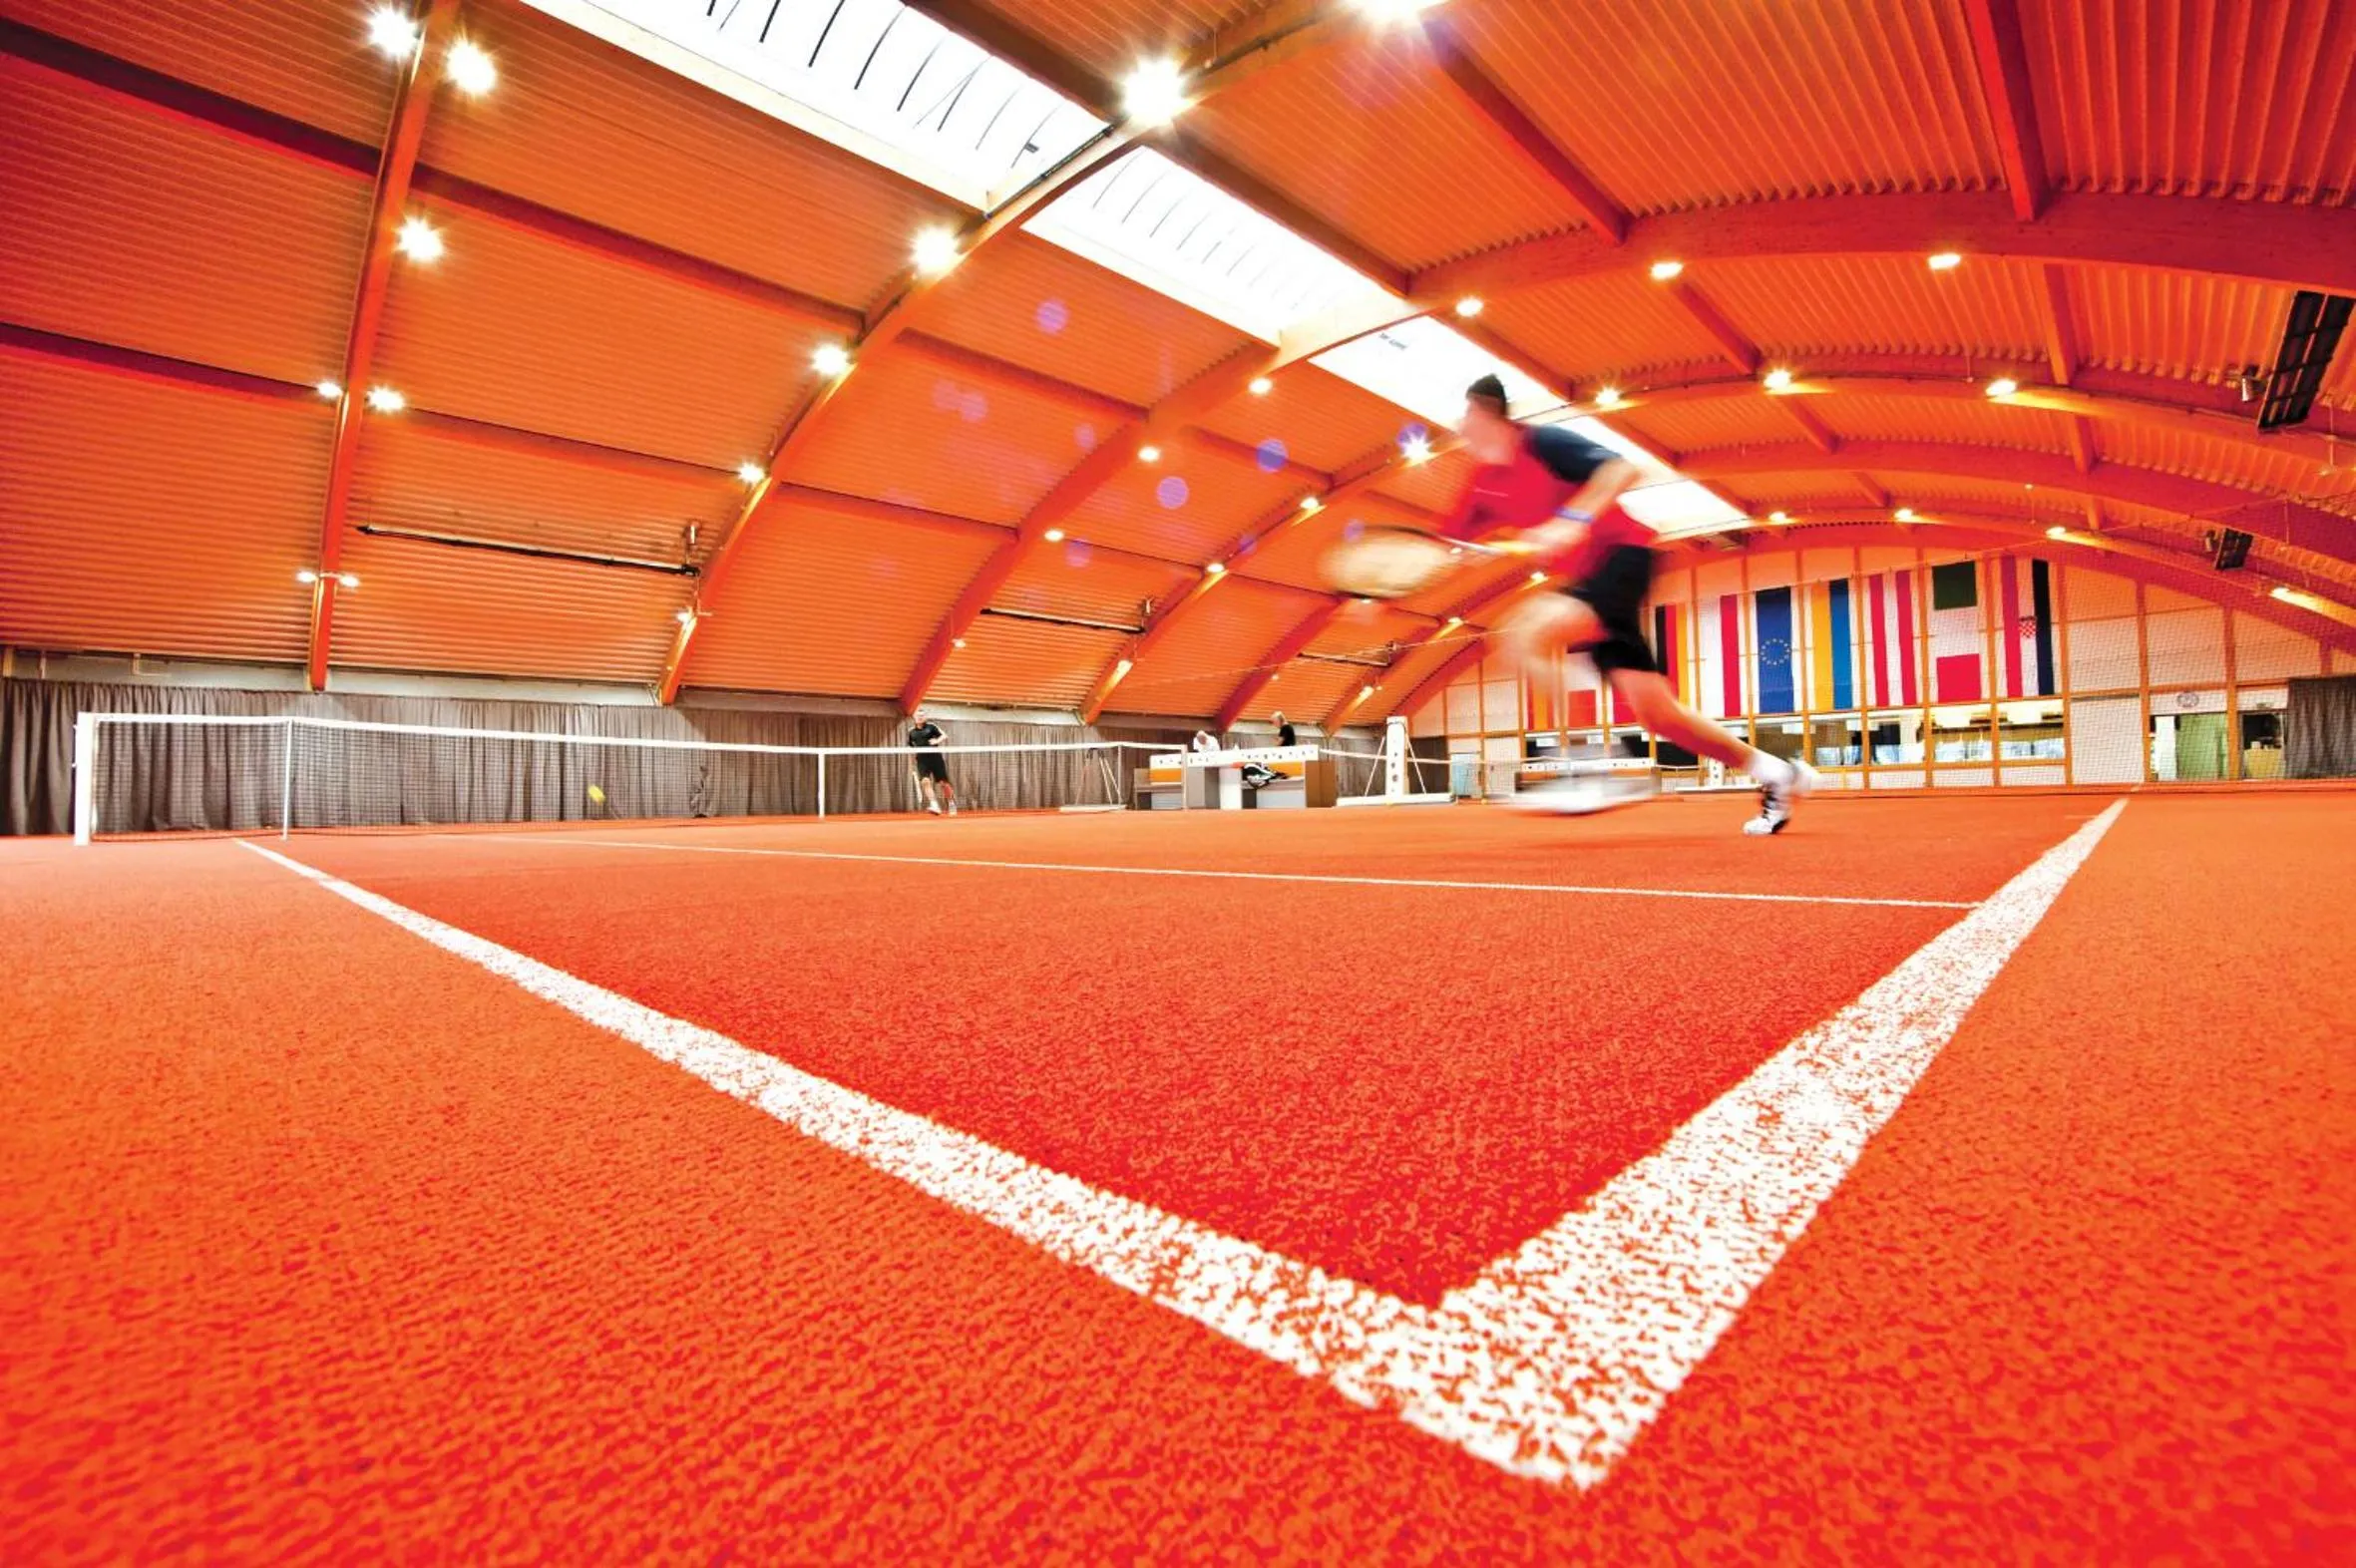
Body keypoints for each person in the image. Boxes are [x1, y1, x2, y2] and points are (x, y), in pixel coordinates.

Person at [1440, 374, 1814, 833]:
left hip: (1622, 558)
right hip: (1589, 578)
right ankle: (1776, 771)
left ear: (1485, 410)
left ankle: (1586, 764)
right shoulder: (1482, 483)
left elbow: (1622, 469)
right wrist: (1377, 594)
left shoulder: (1542, 443)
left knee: (1524, 634)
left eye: (1465, 416)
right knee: (1659, 715)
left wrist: (1571, 520)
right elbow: (1442, 544)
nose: (1460, 428)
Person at [908, 711, 956, 815]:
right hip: (922, 760)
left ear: (925, 717)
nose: (920, 717)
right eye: (918, 716)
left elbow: (944, 735)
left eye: (922, 715)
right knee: (925, 781)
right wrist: (913, 757)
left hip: (935, 758)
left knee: (943, 783)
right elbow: (911, 746)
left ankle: (951, 803)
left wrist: (937, 741)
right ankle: (934, 805)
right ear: (914, 717)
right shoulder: (911, 732)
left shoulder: (931, 727)